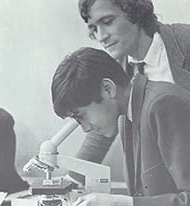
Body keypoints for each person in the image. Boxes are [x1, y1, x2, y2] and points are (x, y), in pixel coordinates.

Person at [68, 0, 190, 185]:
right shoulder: (118, 70)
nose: (101, 36)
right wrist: (71, 181)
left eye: (107, 21)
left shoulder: (185, 42)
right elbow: (101, 128)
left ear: (135, 11)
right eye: (94, 28)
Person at [51, 47, 190, 206]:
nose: (86, 129)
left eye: (81, 116)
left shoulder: (163, 104)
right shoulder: (126, 115)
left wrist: (121, 203)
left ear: (107, 89)